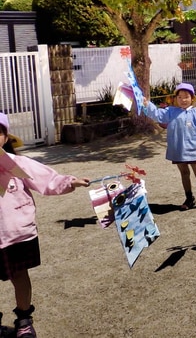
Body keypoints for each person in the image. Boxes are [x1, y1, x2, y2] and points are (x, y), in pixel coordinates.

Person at [0, 112, 90, 337]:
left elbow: (46, 179)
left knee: (20, 276)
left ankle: (24, 321)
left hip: (17, 233)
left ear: (5, 137)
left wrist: (70, 182)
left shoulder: (17, 164)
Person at [143, 83, 196, 210]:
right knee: (184, 172)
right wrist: (146, 104)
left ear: (192, 98)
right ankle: (189, 199)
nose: (183, 100)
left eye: (186, 97)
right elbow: (157, 114)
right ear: (175, 99)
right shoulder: (171, 111)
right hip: (178, 148)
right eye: (180, 97)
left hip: (192, 148)